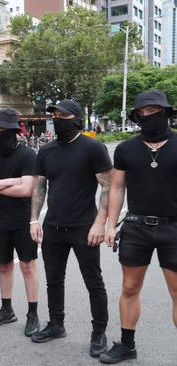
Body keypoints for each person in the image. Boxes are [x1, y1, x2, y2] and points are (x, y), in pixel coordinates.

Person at [100, 90, 177, 364]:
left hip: (173, 228)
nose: (147, 117)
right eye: (142, 114)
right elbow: (117, 187)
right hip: (136, 226)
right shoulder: (126, 149)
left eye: (153, 111)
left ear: (166, 113)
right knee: (130, 288)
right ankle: (127, 345)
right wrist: (110, 224)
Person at [30, 100, 111, 358]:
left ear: (77, 118)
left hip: (84, 227)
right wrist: (34, 219)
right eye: (55, 115)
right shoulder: (46, 150)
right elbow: (40, 186)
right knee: (54, 281)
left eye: (64, 115)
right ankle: (56, 325)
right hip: (53, 226)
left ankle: (99, 332)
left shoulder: (93, 147)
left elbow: (107, 186)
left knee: (93, 282)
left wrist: (100, 222)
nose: (58, 119)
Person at [0, 109, 40, 337]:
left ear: (14, 130)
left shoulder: (28, 154)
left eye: (2, 129)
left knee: (27, 266)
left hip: (23, 220)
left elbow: (26, 190)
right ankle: (6, 309)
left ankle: (33, 313)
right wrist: (12, 180)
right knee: (3, 266)